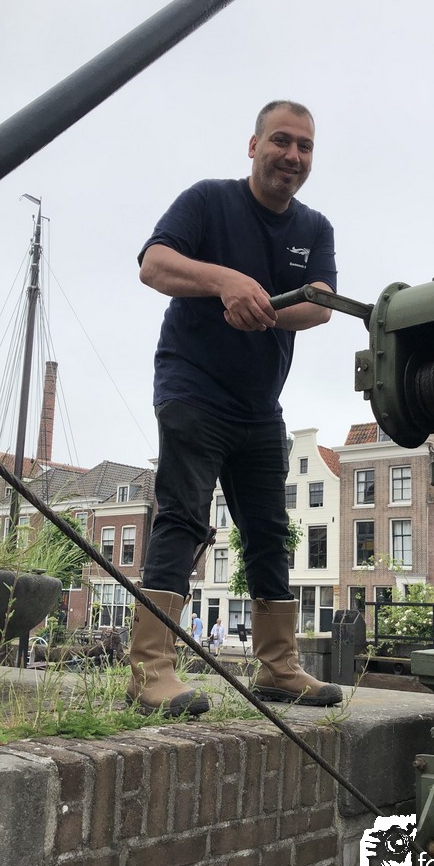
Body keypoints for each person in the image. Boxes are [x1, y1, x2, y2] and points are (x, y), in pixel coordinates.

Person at [126, 99, 343, 717]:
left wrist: (267, 307)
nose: (292, 156)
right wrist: (226, 281)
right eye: (281, 141)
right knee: (184, 517)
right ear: (253, 146)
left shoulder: (315, 228)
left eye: (304, 146)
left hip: (260, 407)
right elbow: (153, 265)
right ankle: (149, 673)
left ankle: (279, 668)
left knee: (270, 532)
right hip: (192, 388)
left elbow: (322, 304)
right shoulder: (207, 201)